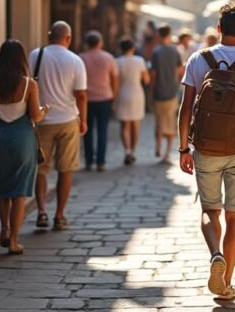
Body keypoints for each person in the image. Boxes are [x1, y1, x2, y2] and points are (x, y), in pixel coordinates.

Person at [178, 2, 235, 300]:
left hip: (205, 147)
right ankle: (227, 280)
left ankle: (215, 253)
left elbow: (185, 108)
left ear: (218, 28)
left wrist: (183, 148)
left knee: (209, 211)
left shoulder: (197, 59)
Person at [0, 40, 48, 255]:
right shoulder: (29, 84)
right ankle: (15, 241)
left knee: (3, 191)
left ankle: (4, 230)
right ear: (21, 59)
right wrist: (45, 109)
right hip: (23, 139)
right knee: (19, 193)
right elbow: (35, 116)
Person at [29, 22, 88, 231]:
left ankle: (42, 211)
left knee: (41, 170)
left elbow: (29, 84)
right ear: (68, 38)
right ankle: (60, 215)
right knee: (66, 170)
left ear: (49, 35)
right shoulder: (75, 60)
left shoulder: (35, 55)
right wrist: (83, 120)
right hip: (68, 120)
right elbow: (81, 94)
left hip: (42, 120)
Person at [80, 31, 119, 172]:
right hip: (105, 98)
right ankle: (101, 162)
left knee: (87, 130)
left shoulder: (81, 58)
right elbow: (114, 79)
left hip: (86, 99)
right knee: (103, 130)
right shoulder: (108, 58)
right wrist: (113, 96)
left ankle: (89, 161)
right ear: (100, 42)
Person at [150, 24, 183, 163]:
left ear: (159, 35)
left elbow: (153, 74)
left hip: (159, 91)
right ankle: (168, 153)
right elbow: (180, 70)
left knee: (159, 122)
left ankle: (158, 146)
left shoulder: (156, 52)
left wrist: (151, 91)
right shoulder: (175, 51)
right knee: (170, 122)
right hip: (172, 91)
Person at [115, 38, 149, 165]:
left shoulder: (117, 61)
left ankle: (127, 151)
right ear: (133, 48)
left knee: (124, 125)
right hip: (136, 93)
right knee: (135, 124)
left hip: (122, 93)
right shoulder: (139, 61)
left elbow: (116, 82)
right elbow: (146, 80)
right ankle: (133, 151)